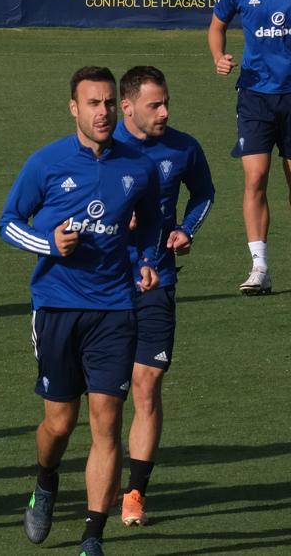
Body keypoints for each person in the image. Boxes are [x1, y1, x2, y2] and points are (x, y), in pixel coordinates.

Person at [0, 66, 163, 556]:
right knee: (59, 424)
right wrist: (48, 244)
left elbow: (152, 223)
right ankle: (46, 480)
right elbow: (8, 222)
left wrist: (148, 260)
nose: (103, 112)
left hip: (113, 308)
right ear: (74, 107)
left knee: (107, 422)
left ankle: (93, 534)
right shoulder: (45, 163)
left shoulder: (138, 166)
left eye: (110, 103)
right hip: (56, 306)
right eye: (93, 103)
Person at [113, 66, 214, 528]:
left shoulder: (183, 147)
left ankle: (135, 492)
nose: (165, 112)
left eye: (167, 102)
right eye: (155, 105)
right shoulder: (102, 149)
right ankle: (93, 476)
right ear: (127, 106)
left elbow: (205, 194)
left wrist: (184, 229)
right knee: (104, 397)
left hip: (159, 282)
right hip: (103, 287)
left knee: (146, 384)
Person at [208, 0, 291, 294]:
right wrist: (218, 57)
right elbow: (217, 26)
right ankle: (260, 268)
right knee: (255, 178)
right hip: (255, 98)